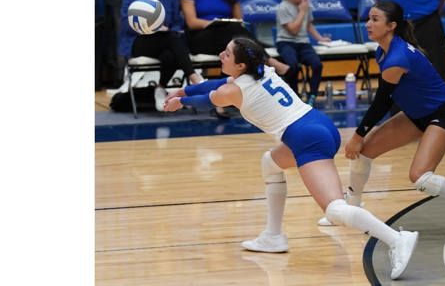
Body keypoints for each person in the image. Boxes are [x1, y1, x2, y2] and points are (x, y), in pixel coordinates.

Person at [164, 37, 419, 280]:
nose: (221, 55)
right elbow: (216, 83)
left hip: (304, 137)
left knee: (334, 209)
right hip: (317, 123)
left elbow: (209, 98)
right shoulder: (261, 69)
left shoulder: (231, 92)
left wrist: (181, 101)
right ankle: (272, 236)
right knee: (271, 162)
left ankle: (397, 239)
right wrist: (184, 90)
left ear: (240, 65)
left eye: (227, 53)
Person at [318, 0, 445, 240]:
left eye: (375, 20)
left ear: (391, 25)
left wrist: (357, 135)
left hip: (442, 114)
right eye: (368, 18)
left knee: (421, 178)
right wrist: (360, 140)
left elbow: (382, 101)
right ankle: (352, 206)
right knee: (365, 152)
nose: (368, 24)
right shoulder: (384, 49)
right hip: (416, 115)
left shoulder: (397, 57)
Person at [119, 0, 204, 112]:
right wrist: (150, 27)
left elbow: (178, 23)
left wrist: (168, 30)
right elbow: (126, 23)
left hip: (165, 42)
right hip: (139, 42)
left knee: (170, 54)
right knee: (172, 39)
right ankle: (195, 78)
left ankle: (160, 88)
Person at [369, 0, 445, 84]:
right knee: (394, 76)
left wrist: (425, 13)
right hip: (394, 28)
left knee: (436, 74)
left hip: (427, 24)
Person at [275, 0, 330, 105]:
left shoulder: (305, 6)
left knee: (317, 64)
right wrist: (302, 12)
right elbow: (293, 30)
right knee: (293, 65)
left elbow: (309, 25)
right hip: (286, 42)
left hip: (303, 43)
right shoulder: (282, 8)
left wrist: (319, 38)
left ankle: (312, 95)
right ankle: (295, 96)